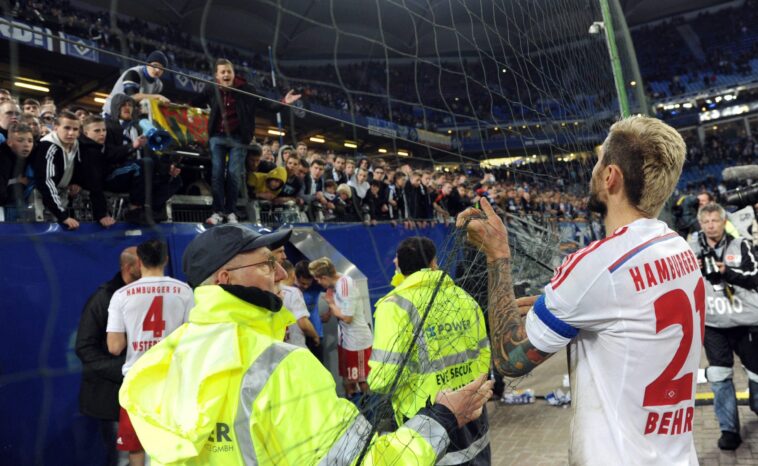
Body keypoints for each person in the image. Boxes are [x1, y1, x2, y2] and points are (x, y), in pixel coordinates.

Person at [118, 224, 493, 465]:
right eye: (267, 264)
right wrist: (441, 419)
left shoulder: (162, 361)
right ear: (225, 278)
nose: (282, 274)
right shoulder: (281, 366)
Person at [458, 115, 703, 465]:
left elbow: (509, 358)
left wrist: (497, 254)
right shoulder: (680, 248)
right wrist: (568, 312)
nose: (594, 169)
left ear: (610, 176)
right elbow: (630, 318)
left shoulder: (597, 265)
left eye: (599, 160)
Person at [369, 237, 491, 465]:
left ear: (398, 264)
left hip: (428, 418)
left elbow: (383, 379)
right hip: (472, 408)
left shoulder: (394, 306)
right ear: (434, 262)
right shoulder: (463, 297)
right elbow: (484, 356)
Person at [107, 239, 194, 466]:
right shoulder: (185, 291)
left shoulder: (121, 295)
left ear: (139, 262)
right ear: (166, 259)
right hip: (173, 381)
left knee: (135, 448)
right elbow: (192, 338)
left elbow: (114, 346)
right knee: (174, 444)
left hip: (137, 381)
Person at [192, 58, 301, 225]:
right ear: (217, 75)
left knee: (234, 174)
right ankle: (217, 212)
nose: (226, 74)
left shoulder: (246, 90)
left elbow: (268, 106)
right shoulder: (211, 88)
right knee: (217, 173)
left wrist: (284, 102)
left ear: (233, 73)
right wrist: (168, 103)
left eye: (229, 71)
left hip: (238, 138)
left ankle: (230, 212)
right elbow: (194, 103)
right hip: (217, 137)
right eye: (223, 72)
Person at [690, 202, 758, 450]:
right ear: (701, 224)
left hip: (746, 322)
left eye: (715, 220)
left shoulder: (741, 244)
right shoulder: (691, 249)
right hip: (714, 324)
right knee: (719, 376)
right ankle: (728, 430)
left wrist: (727, 271)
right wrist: (693, 269)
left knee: (757, 376)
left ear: (723, 222)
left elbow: (755, 278)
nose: (711, 226)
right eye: (706, 221)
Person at [75, 246, 141, 466]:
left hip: (144, 397)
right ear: (129, 268)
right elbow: (84, 347)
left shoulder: (148, 295)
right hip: (111, 401)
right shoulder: (103, 298)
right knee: (121, 460)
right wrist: (124, 371)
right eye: (143, 264)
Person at [309, 257, 373, 398]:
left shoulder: (345, 287)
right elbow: (340, 304)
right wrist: (328, 313)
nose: (318, 283)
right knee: (347, 379)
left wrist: (331, 303)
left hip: (357, 341)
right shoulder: (336, 283)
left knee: (360, 380)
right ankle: (351, 405)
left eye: (318, 280)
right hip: (345, 340)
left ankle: (370, 407)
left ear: (324, 277)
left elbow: (347, 318)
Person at [32, 111, 82, 230]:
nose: (71, 133)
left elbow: (77, 165)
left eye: (75, 129)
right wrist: (62, 215)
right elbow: (46, 182)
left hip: (61, 196)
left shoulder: (75, 144)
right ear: (55, 127)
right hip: (40, 199)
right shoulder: (48, 146)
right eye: (67, 128)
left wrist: (76, 181)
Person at [103, 50, 170, 115]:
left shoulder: (158, 85)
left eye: (161, 69)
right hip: (112, 113)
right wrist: (157, 97)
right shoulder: (133, 73)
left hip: (130, 114)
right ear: (147, 64)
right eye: (155, 65)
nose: (157, 70)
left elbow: (147, 102)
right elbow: (131, 97)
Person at [294, 259, 325, 362]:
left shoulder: (317, 285)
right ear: (296, 277)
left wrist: (330, 312)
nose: (305, 286)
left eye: (308, 284)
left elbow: (334, 288)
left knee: (319, 368)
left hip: (316, 333)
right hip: (296, 336)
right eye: (302, 283)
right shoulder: (289, 289)